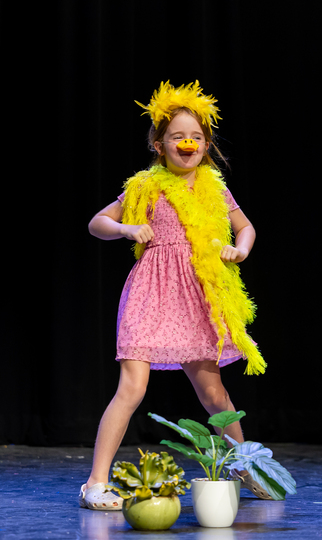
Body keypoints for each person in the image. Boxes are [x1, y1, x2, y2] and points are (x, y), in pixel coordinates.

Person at [79, 81, 270, 510]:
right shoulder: (147, 186)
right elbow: (97, 223)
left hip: (197, 294)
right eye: (177, 136)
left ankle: (245, 467)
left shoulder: (216, 188)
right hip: (151, 291)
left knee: (214, 393)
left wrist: (239, 249)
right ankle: (95, 483)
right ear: (158, 143)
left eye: (197, 137)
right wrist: (127, 228)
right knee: (132, 386)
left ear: (206, 144)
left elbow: (246, 227)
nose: (188, 144)